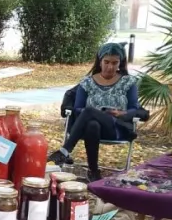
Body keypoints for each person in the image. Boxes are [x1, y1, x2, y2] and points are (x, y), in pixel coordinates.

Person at [48, 42, 140, 181]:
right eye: (106, 62)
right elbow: (78, 108)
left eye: (115, 63)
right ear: (100, 61)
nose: (110, 67)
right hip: (89, 129)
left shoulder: (129, 83)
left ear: (120, 63)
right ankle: (94, 171)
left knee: (90, 111)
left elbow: (134, 109)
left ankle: (64, 151)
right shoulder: (87, 82)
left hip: (116, 128)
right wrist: (96, 114)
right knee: (92, 123)